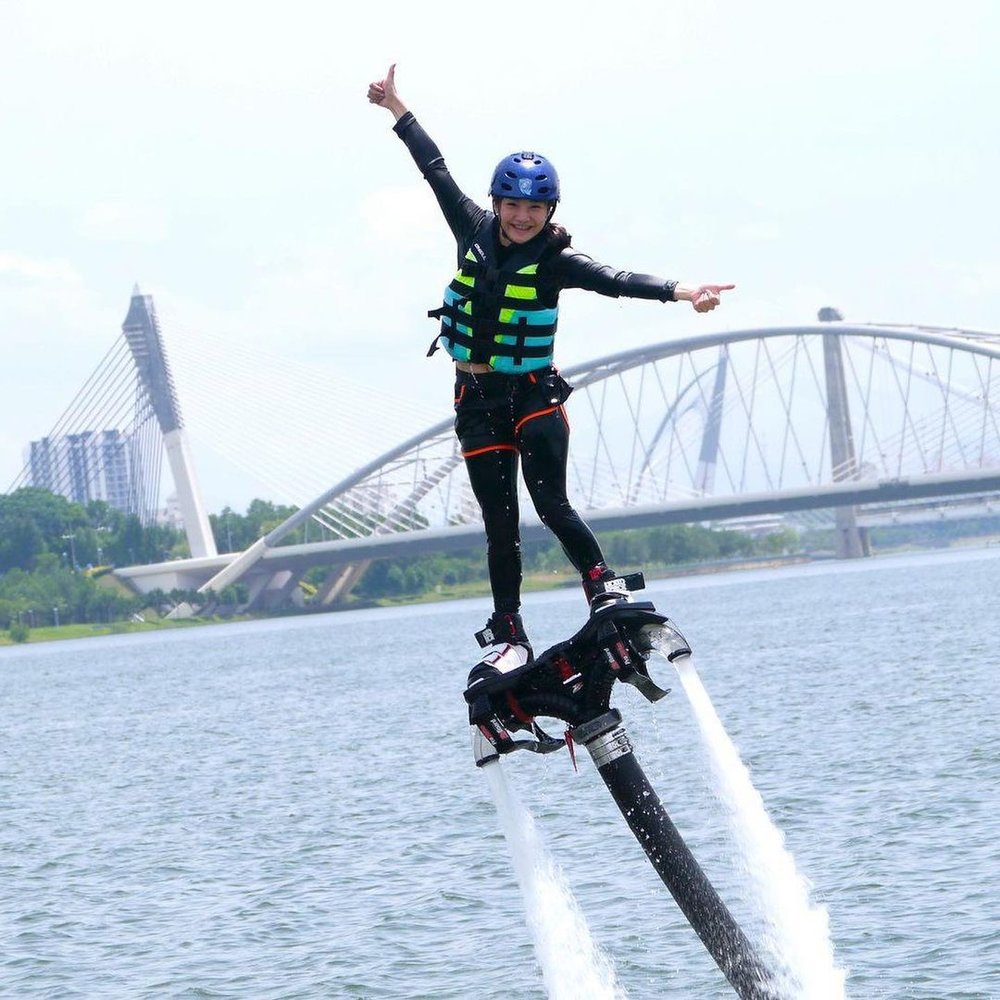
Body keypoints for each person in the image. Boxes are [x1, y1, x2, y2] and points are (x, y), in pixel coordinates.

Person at [367, 63, 734, 681]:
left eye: (534, 207)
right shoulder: (471, 228)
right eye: (512, 204)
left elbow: (618, 281)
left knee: (551, 504)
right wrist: (396, 108)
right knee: (499, 523)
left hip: (534, 396)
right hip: (476, 399)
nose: (522, 216)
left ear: (549, 210)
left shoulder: (557, 261)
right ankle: (510, 635)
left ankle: (602, 587)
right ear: (496, 203)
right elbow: (435, 168)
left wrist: (683, 291)